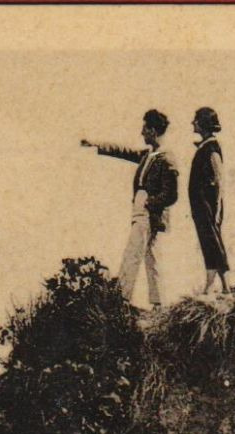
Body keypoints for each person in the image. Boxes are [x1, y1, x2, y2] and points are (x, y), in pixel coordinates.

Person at [81, 109, 178, 308]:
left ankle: (122, 298)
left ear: (152, 130)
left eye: (144, 128)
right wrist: (97, 145)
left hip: (149, 213)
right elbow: (123, 151)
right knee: (152, 258)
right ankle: (159, 303)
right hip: (143, 210)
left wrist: (150, 202)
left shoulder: (166, 158)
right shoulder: (149, 154)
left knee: (133, 253)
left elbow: (171, 195)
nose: (141, 133)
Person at [187, 107, 230, 295]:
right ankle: (226, 286)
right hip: (200, 204)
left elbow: (219, 177)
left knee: (210, 241)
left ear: (203, 123)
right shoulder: (205, 146)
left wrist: (218, 207)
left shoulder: (211, 147)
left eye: (196, 120)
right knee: (212, 241)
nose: (193, 123)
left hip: (207, 204)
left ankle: (210, 285)